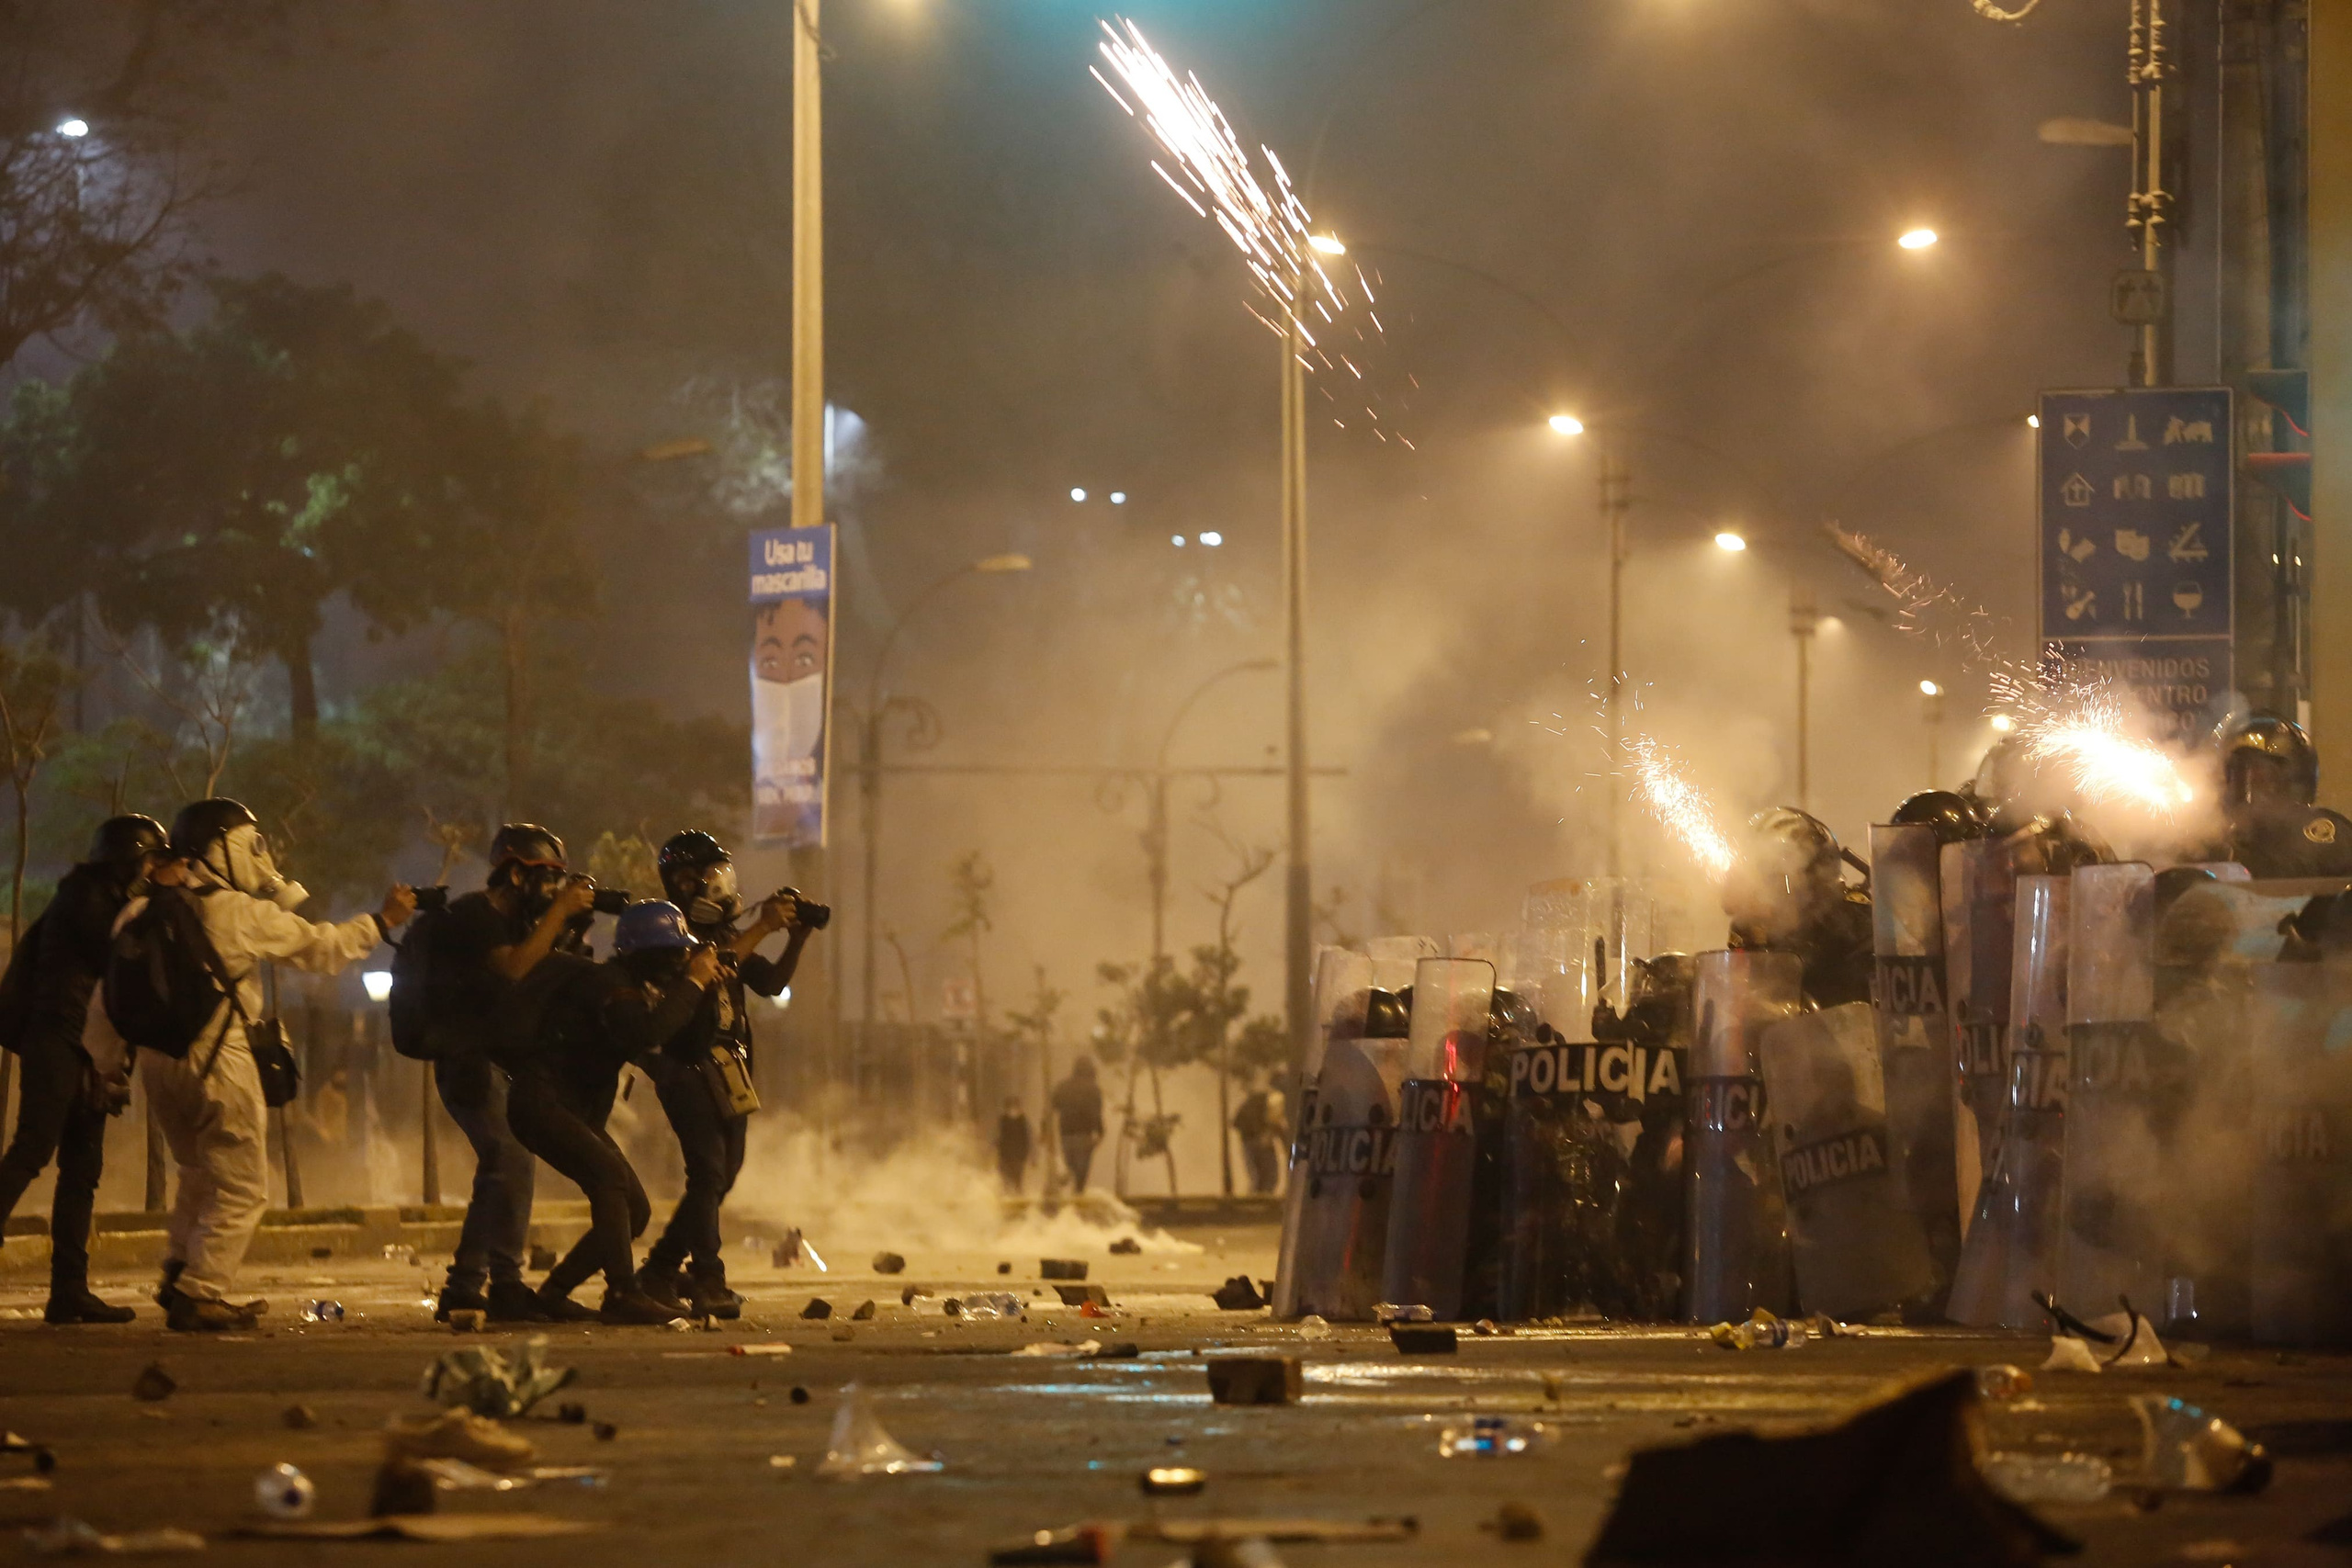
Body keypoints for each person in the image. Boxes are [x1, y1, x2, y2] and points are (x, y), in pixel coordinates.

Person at [143, 799, 412, 1331]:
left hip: (159, 1062)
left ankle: (178, 1271)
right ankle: (200, 1291)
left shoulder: (149, 909)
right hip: (218, 1060)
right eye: (251, 844)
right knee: (243, 1186)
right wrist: (381, 922)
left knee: (197, 1172)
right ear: (220, 850)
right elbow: (323, 949)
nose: (261, 857)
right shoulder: (237, 912)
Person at [496, 901, 714, 1325]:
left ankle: (553, 1294)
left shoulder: (635, 988)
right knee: (609, 1178)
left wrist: (704, 993)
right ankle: (622, 1293)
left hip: (572, 1108)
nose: (680, 961)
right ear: (647, 953)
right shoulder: (607, 984)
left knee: (635, 1210)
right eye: (673, 953)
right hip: (542, 1101)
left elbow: (686, 1048)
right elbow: (646, 1033)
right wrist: (692, 982)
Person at [636, 829, 819, 1318]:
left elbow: (769, 982)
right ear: (683, 882)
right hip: (686, 1066)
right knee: (708, 1173)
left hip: (728, 1070)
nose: (718, 884)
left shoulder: (724, 935)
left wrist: (795, 939)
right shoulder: (672, 934)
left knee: (722, 1176)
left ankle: (660, 1270)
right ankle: (707, 1279)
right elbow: (717, 962)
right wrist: (763, 926)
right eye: (704, 876)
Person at [0, 815, 168, 1324]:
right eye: (149, 861)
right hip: (58, 1037)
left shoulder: (110, 899)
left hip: (91, 1048)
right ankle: (68, 1289)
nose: (153, 871)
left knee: (82, 1169)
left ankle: (69, 1290)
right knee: (33, 1150)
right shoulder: (85, 896)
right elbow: (118, 952)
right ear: (127, 858)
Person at [428, 823, 598, 1324]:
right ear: (516, 873)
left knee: (512, 1163)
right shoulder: (475, 915)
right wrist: (559, 913)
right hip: (468, 1060)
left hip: (504, 1060)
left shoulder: (524, 923)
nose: (554, 890)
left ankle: (498, 1284)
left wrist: (571, 928)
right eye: (547, 878)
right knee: (507, 1159)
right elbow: (515, 968)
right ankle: (471, 1286)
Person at [1722, 807, 1875, 1008]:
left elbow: (1861, 1012)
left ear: (1813, 886)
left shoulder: (1856, 926)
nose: (1759, 894)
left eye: (1772, 879)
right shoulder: (1749, 928)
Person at [2209, 712, 2352, 877]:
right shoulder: (2214, 840)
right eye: (2236, 770)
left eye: (2260, 770)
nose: (2246, 780)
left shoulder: (2328, 835)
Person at [1050, 1056, 1104, 1192]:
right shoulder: (1093, 1089)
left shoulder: (1063, 1087)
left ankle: (1066, 1175)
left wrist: (1044, 1127)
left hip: (1066, 1133)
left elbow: (1051, 1107)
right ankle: (1078, 1194)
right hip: (1084, 1134)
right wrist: (1100, 1131)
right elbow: (1096, 1113)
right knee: (1082, 1169)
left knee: (1071, 1162)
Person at [1232, 1077, 1283, 1195]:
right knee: (1267, 1178)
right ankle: (1258, 1200)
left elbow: (1237, 1123)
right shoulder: (1268, 1099)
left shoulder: (1249, 1104)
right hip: (1258, 1142)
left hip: (1251, 1142)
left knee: (1258, 1178)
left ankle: (1256, 1200)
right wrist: (1266, 1135)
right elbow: (1275, 1122)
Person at [995, 1097, 1032, 1194]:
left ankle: (1016, 1192)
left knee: (1016, 1177)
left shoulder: (1021, 1120)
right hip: (1008, 1154)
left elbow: (1026, 1138)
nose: (1013, 1110)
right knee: (1010, 1177)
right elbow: (1000, 1137)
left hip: (1016, 1154)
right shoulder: (1005, 1120)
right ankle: (1012, 1193)